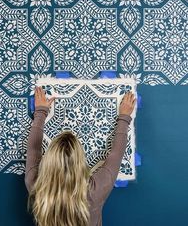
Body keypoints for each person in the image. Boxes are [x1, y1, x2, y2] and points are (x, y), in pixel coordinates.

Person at [25, 86, 136, 226]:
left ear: (49, 160)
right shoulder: (95, 191)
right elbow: (117, 154)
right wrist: (124, 117)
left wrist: (40, 112)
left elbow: (33, 150)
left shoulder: (36, 187)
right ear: (80, 162)